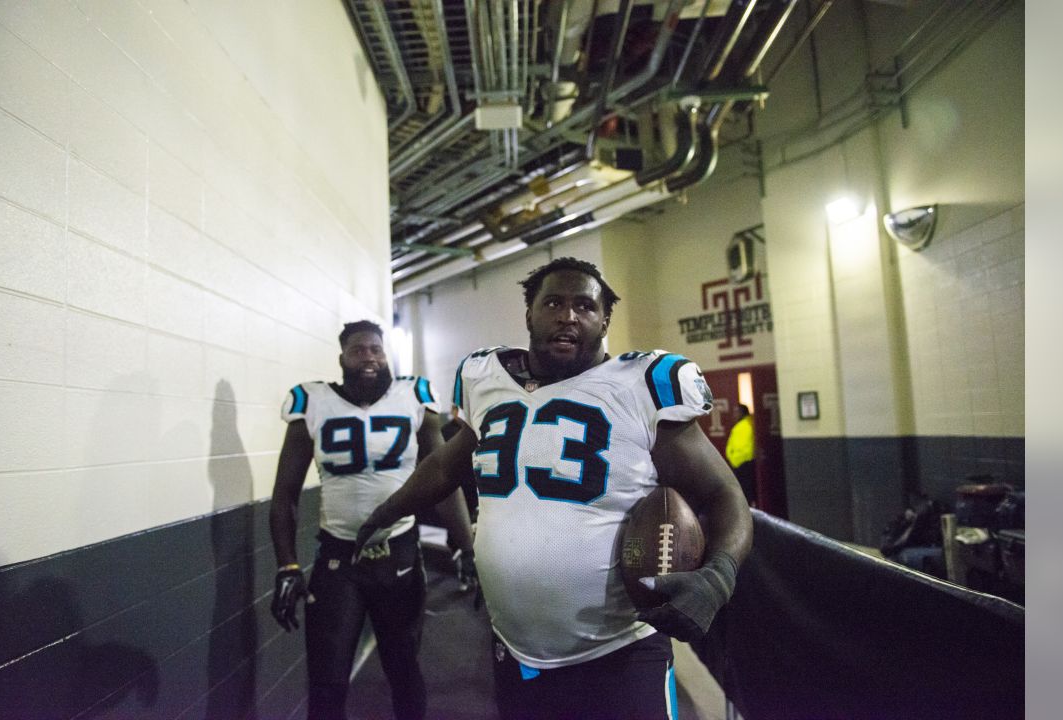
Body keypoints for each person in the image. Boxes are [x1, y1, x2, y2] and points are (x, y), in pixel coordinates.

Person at [353, 258, 754, 719]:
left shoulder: (643, 387)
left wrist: (718, 576)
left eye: (585, 306)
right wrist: (386, 513)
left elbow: (725, 495)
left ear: (605, 320)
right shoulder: (485, 379)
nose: (568, 316)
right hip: (514, 650)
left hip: (619, 652)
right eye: (554, 303)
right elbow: (447, 464)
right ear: (529, 314)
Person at [269, 320, 475, 720]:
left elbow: (443, 478)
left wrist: (466, 546)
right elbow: (285, 494)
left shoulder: (413, 396)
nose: (369, 357)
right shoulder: (311, 402)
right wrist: (287, 565)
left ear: (387, 355)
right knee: (327, 682)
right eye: (358, 350)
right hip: (338, 558)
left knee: (404, 672)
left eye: (376, 349)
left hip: (397, 552)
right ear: (341, 358)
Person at [725, 403, 757, 506]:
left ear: (743, 413)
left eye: (736, 412)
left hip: (743, 464)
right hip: (740, 462)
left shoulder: (745, 426)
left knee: (746, 491)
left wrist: (734, 459)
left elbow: (744, 448)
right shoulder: (741, 426)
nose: (734, 415)